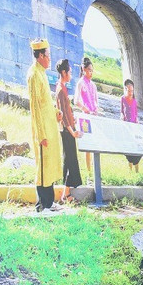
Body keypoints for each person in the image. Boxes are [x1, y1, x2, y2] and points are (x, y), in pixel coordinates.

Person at [27, 39, 62, 213]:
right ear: (40, 56)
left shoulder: (42, 73)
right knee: (42, 166)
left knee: (49, 166)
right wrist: (41, 134)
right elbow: (35, 107)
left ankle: (49, 202)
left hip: (50, 127)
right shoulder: (33, 75)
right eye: (48, 56)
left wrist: (56, 112)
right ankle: (42, 204)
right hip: (43, 130)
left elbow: (45, 101)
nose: (49, 59)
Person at [55, 58, 82, 201]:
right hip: (66, 131)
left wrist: (73, 121)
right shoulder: (60, 90)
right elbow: (63, 114)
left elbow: (67, 111)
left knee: (70, 159)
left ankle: (66, 193)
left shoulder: (63, 88)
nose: (71, 75)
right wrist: (72, 131)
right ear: (64, 72)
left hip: (68, 128)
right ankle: (66, 194)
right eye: (70, 72)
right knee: (69, 159)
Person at [74, 56, 99, 172]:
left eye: (92, 70)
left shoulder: (93, 85)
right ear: (84, 69)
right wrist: (86, 109)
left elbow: (96, 101)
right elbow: (76, 101)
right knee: (88, 145)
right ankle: (89, 170)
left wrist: (96, 110)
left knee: (96, 143)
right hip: (85, 118)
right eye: (89, 70)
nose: (91, 72)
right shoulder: (81, 83)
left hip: (94, 116)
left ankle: (95, 169)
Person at [121, 78, 142, 173]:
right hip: (126, 128)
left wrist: (137, 121)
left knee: (137, 150)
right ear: (125, 89)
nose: (130, 93)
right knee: (128, 151)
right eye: (129, 91)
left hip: (134, 128)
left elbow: (136, 114)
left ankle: (137, 171)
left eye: (132, 91)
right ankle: (130, 172)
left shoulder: (134, 101)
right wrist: (121, 118)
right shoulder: (122, 99)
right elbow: (122, 111)